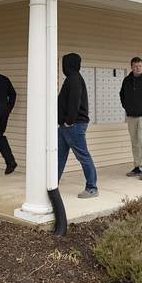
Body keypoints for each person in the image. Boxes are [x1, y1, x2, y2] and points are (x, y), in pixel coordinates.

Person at [57, 52, 98, 198]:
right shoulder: (72, 78)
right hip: (66, 126)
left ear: (69, 65)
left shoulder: (74, 79)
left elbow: (74, 102)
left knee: (83, 156)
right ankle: (52, 185)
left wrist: (69, 121)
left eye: (64, 63)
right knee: (59, 155)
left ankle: (92, 188)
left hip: (74, 125)